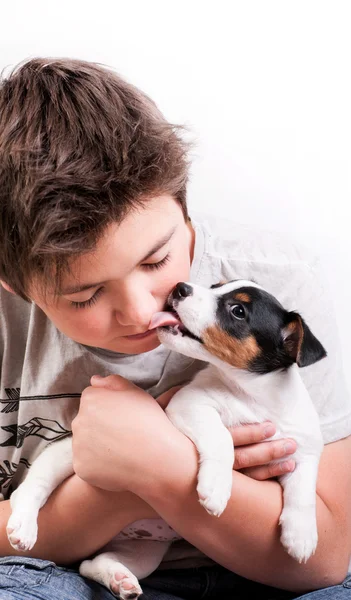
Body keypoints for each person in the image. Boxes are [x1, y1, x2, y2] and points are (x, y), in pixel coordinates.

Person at [0, 57, 350, 600]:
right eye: (85, 295)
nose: (142, 313)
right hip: (60, 569)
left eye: (157, 259)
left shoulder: (281, 285)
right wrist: (125, 488)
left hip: (273, 570)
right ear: (14, 285)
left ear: (185, 210)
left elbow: (325, 556)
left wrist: (161, 467)